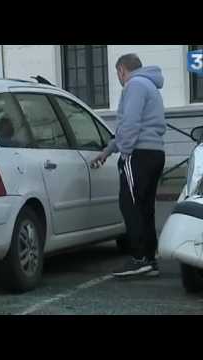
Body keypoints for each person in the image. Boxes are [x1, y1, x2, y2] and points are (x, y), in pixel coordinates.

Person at [91, 54, 166, 278]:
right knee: (145, 208)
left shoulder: (134, 85)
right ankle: (150, 260)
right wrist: (108, 151)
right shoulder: (150, 85)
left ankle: (139, 258)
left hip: (138, 155)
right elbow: (132, 126)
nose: (118, 79)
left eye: (117, 73)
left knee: (129, 203)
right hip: (154, 152)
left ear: (123, 70)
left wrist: (124, 151)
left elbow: (129, 123)